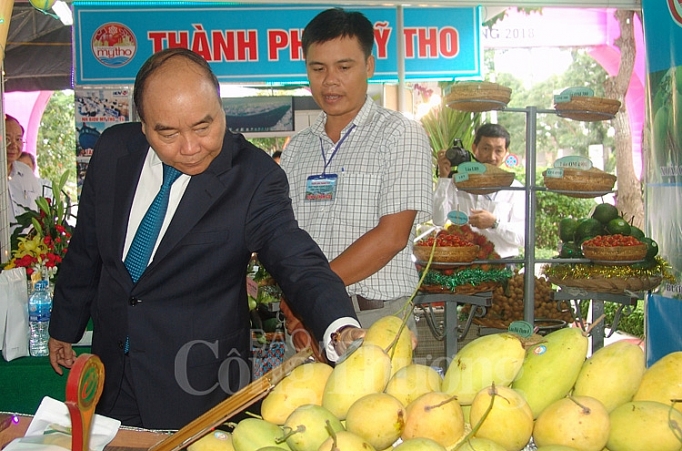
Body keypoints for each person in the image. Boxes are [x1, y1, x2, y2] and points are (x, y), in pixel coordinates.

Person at [47, 48, 362, 430]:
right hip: (111, 373)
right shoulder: (114, 150)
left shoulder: (252, 177)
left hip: (196, 385)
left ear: (221, 109)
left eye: (203, 126)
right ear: (143, 125)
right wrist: (64, 325)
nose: (191, 147)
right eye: (168, 133)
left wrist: (339, 325)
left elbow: (295, 258)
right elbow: (88, 247)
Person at [280, 8, 433, 332]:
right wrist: (299, 300)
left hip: (375, 318)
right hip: (305, 319)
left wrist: (309, 292)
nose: (330, 80)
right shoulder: (298, 147)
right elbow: (285, 236)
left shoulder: (400, 133)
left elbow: (391, 237)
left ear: (369, 66)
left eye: (344, 67)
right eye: (317, 68)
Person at [433, 123, 525, 258]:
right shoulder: (457, 183)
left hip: (504, 264)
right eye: (486, 148)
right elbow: (438, 220)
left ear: (506, 152)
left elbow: (524, 237)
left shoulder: (514, 189)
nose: (492, 157)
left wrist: (495, 223)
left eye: (498, 150)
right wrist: (443, 178)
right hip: (465, 264)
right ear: (474, 148)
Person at [5, 115, 42, 231]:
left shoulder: (26, 172)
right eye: (7, 139)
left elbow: (38, 210)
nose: (14, 146)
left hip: (27, 246)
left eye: (18, 139)